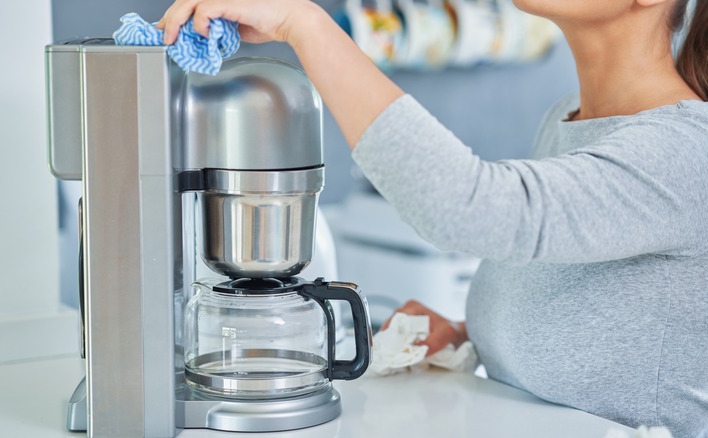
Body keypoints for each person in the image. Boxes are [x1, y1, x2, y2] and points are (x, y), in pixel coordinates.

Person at [158, 0, 708, 435]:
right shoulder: (568, 121)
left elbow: (473, 209)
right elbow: (610, 326)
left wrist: (304, 24)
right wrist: (468, 337)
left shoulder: (686, 151)